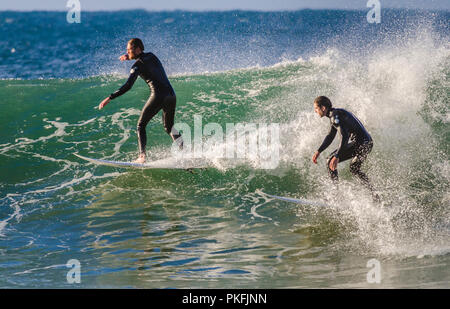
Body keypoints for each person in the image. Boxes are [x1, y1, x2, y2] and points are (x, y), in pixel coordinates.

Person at [98, 38, 183, 163]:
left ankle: (142, 156)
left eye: (129, 50)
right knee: (169, 127)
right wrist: (129, 56)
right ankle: (185, 150)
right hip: (171, 94)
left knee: (140, 125)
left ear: (137, 49)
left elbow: (128, 86)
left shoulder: (137, 66)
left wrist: (110, 97)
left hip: (158, 96)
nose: (127, 52)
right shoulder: (151, 56)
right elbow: (142, 59)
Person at [311, 96, 379, 201]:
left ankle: (336, 195)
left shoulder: (335, 116)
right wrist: (319, 151)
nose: (315, 111)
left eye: (316, 108)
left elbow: (345, 137)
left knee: (330, 160)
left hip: (361, 144)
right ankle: (374, 195)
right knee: (354, 169)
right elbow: (330, 136)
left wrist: (337, 156)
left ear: (323, 108)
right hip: (367, 143)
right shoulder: (335, 114)